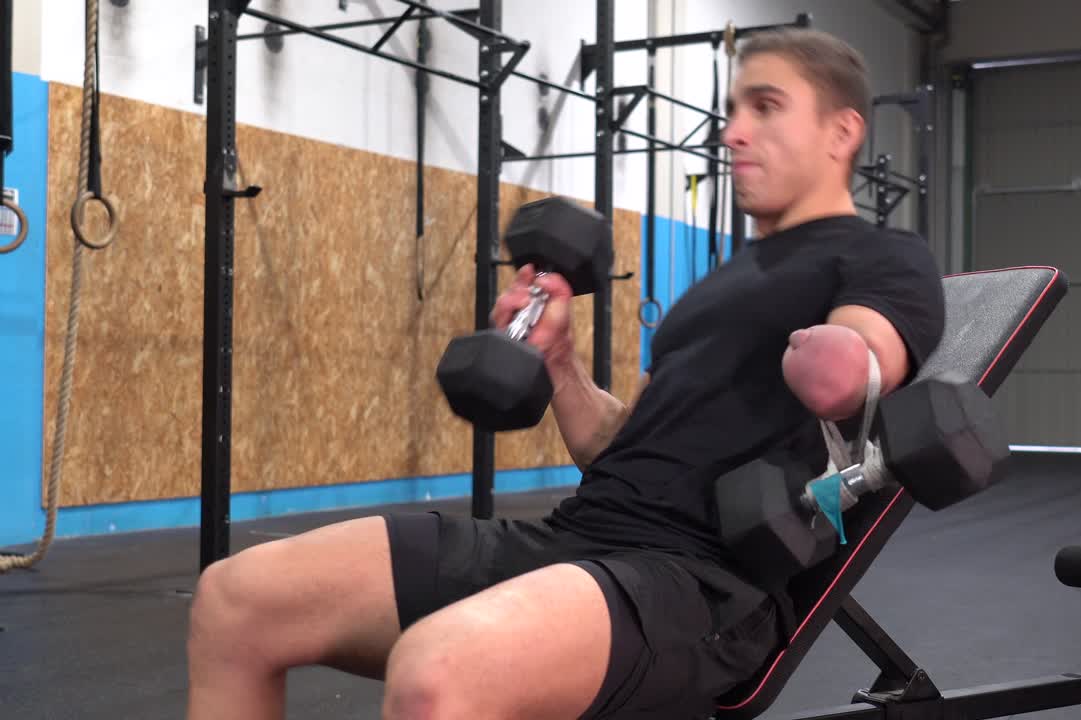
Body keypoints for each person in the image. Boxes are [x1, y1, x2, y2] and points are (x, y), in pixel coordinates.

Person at [185, 28, 945, 720]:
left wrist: (841, 356)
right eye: (735, 108)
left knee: (436, 671)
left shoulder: (884, 258)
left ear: (842, 131)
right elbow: (618, 446)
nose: (734, 131)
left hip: (702, 583)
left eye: (767, 107)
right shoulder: (723, 283)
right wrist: (558, 359)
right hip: (577, 539)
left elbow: (861, 363)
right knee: (236, 600)